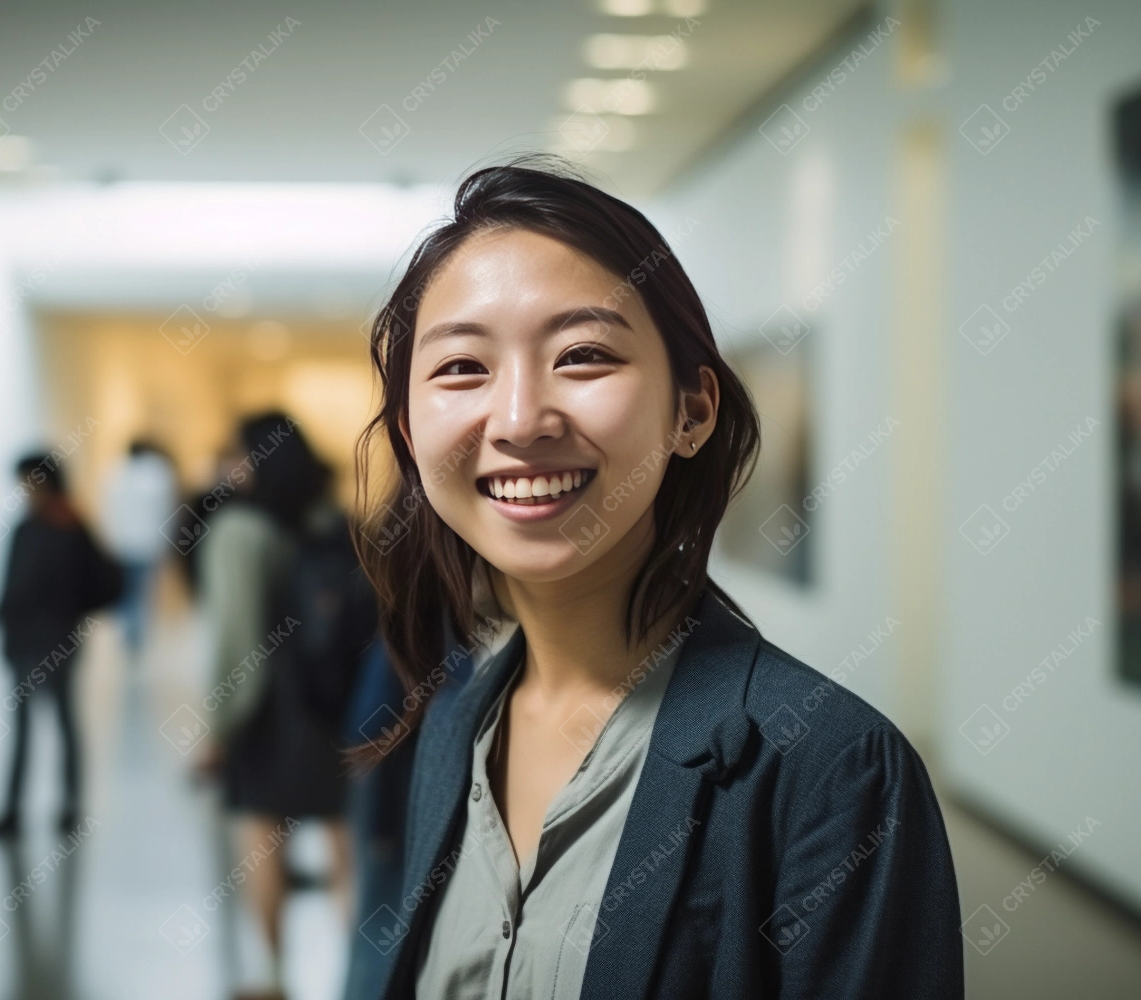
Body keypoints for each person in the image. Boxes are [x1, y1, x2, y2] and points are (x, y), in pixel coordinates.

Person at [352, 162, 963, 999]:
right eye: (463, 368)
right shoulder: (453, 723)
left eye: (584, 355)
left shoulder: (831, 771)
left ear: (693, 411)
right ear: (409, 430)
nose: (522, 419)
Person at [197, 412, 376, 1000]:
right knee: (341, 842)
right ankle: (363, 974)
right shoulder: (331, 520)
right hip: (336, 704)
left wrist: (218, 727)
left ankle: (274, 977)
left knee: (260, 839)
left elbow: (237, 640)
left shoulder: (240, 529)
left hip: (271, 713)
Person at [0, 453, 121, 838]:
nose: (25, 491)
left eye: (29, 482)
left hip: (57, 641)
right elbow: (11, 586)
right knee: (24, 727)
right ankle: (13, 808)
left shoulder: (69, 525)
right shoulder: (28, 527)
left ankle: (69, 805)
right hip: (26, 641)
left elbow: (100, 582)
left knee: (63, 722)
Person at [100, 440, 176, 658]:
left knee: (128, 591)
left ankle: (131, 635)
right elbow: (167, 510)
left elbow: (109, 509)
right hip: (146, 542)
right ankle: (137, 636)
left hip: (124, 543)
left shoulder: (117, 472)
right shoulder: (157, 474)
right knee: (142, 591)